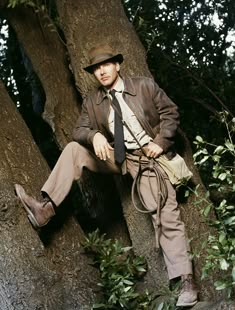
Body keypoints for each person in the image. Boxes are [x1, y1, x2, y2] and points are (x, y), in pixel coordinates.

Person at [15, 44, 198, 307]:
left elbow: (171, 113)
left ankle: (186, 280)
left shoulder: (144, 86)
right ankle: (46, 207)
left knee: (166, 216)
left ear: (117, 65)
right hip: (118, 159)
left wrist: (161, 141)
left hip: (150, 160)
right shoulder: (93, 102)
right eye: (96, 68)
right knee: (74, 150)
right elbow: (80, 130)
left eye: (106, 65)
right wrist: (95, 134)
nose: (102, 71)